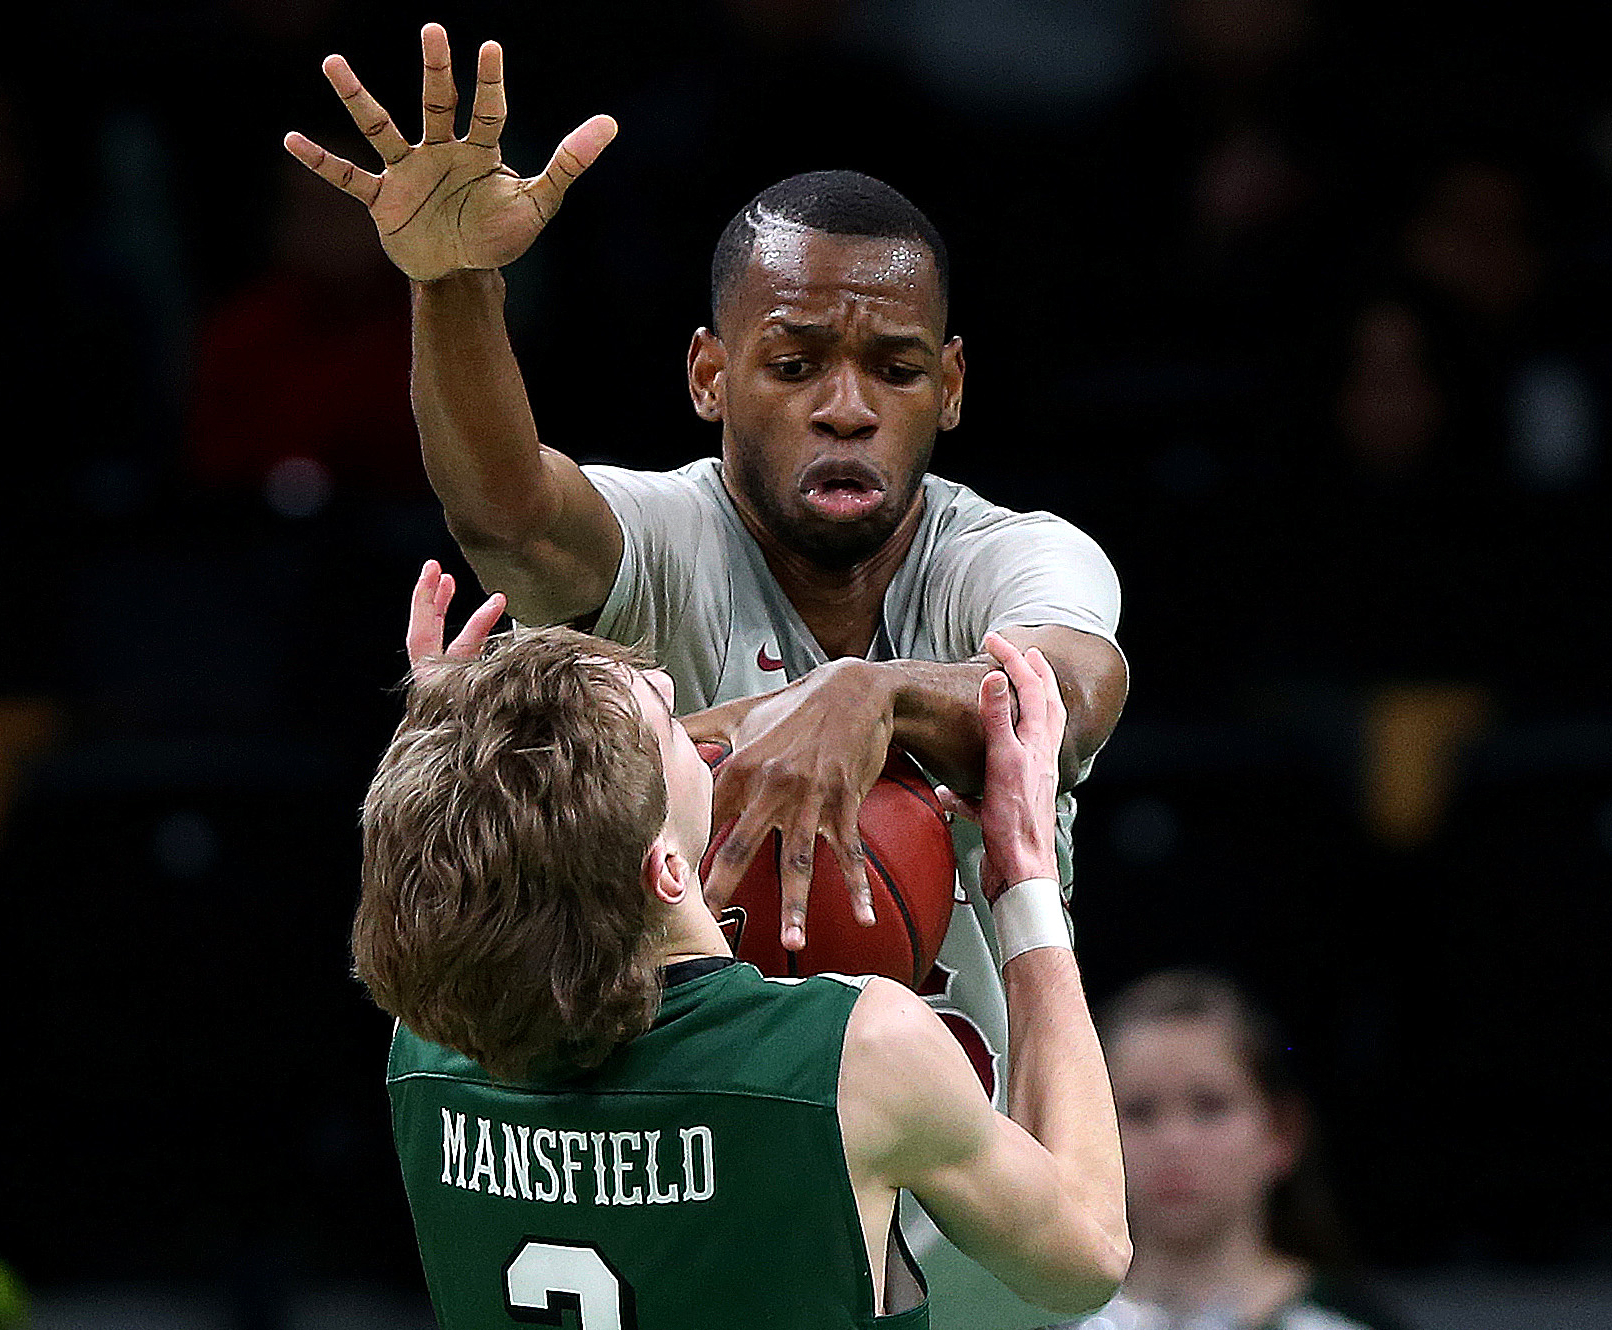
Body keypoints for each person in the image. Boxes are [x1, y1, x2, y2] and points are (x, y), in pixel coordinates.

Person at [287, 25, 1128, 1326]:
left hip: (930, 1245)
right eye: (794, 363)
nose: (844, 404)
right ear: (707, 372)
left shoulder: (1016, 555)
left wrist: (867, 691)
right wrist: (451, 288)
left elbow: (1063, 691)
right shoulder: (664, 538)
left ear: (948, 385)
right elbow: (512, 521)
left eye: (892, 368)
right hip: (795, 1211)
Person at [354, 567, 1129, 1327]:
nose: (670, 691)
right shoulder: (857, 1052)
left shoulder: (427, 1042)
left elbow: (451, 900)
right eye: (661, 726)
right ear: (663, 868)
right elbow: (1084, 1262)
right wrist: (1025, 884)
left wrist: (449, 767)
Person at [1062, 970, 1411, 1330]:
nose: (1173, 1141)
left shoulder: (1346, 1322)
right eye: (1139, 1111)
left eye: (1209, 1106)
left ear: (1282, 1133)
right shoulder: (1039, 1317)